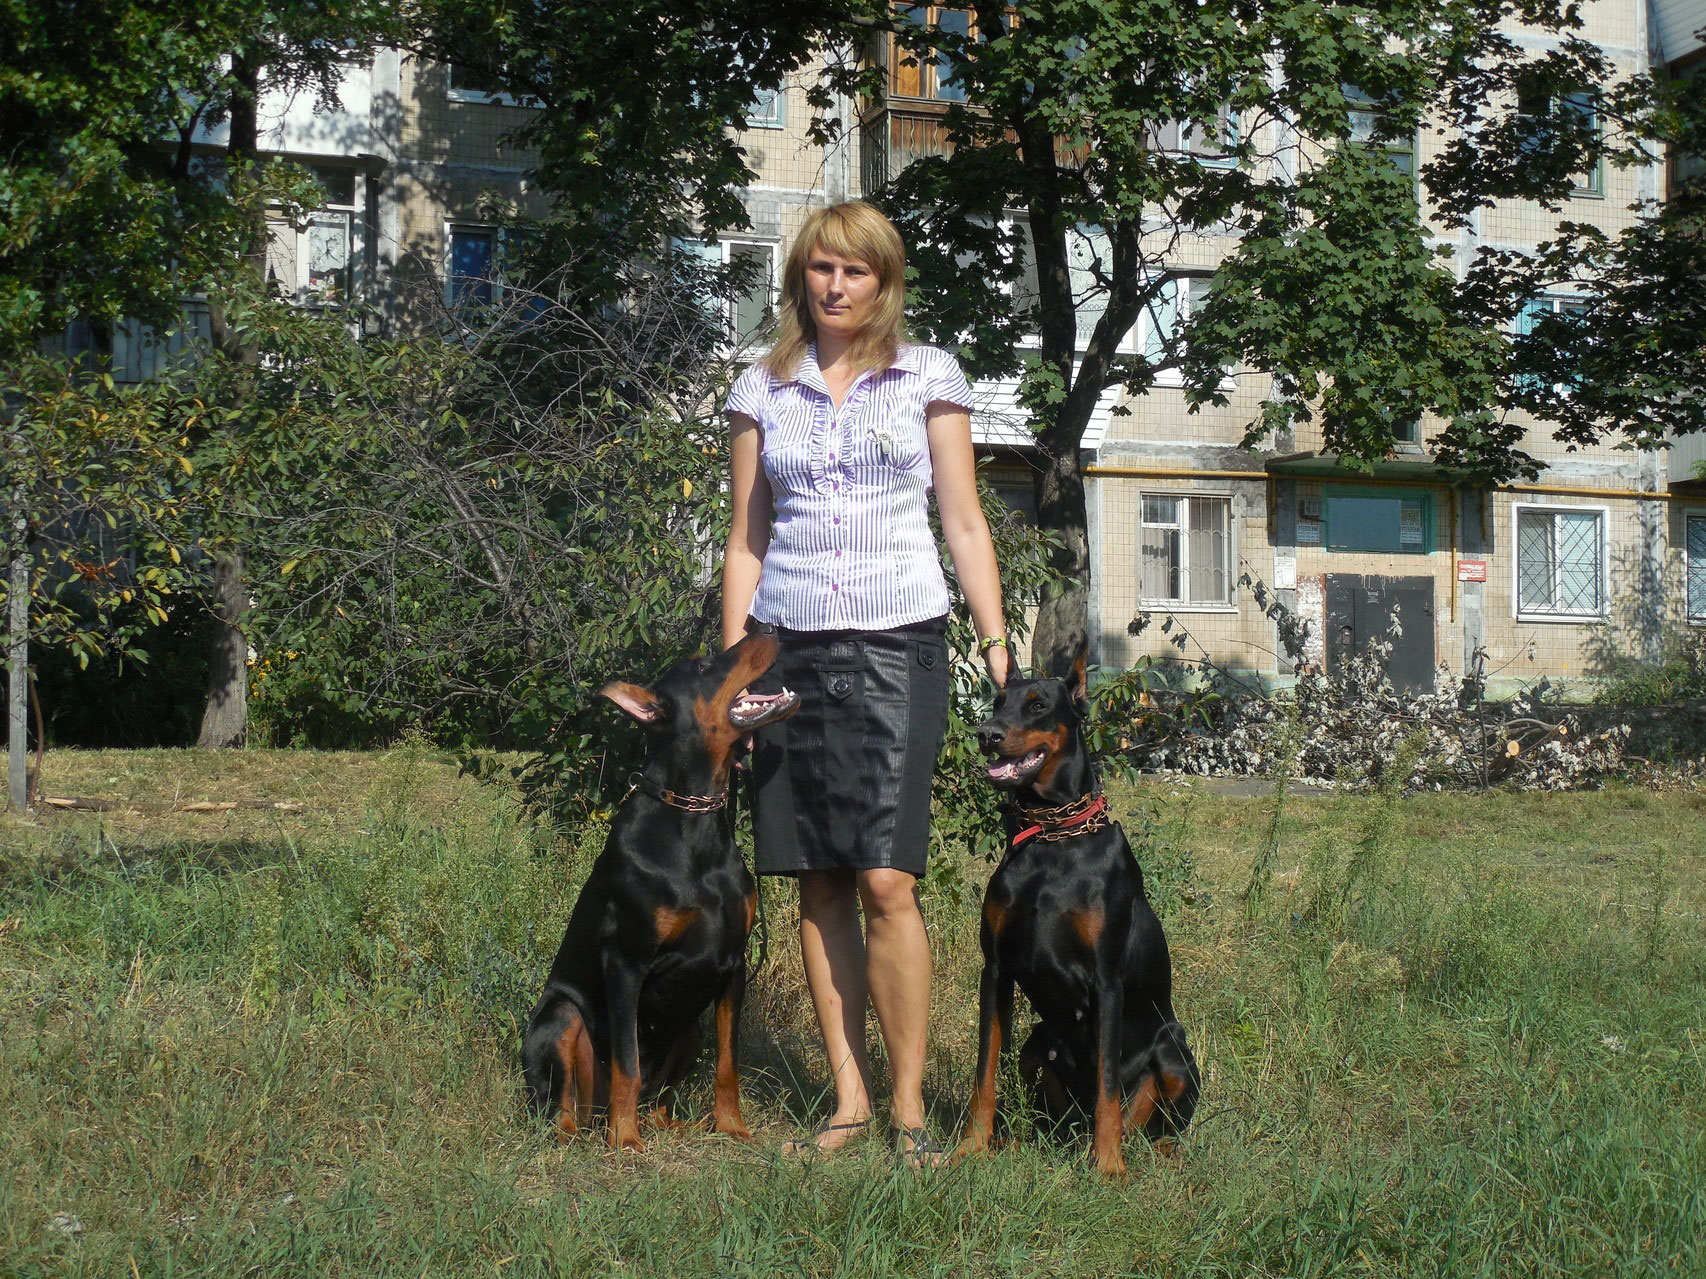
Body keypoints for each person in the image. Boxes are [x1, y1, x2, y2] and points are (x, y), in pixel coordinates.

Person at [720, 201, 1013, 1165]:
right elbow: (747, 541)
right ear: (800, 277)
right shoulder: (763, 389)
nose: (836, 286)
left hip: (899, 643)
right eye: (821, 269)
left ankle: (909, 1100)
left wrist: (996, 635)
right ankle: (847, 1098)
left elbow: (965, 520)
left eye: (856, 271)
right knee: (821, 879)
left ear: (884, 283)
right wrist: (734, 675)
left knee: (888, 874)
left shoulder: (928, 375)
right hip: (789, 649)